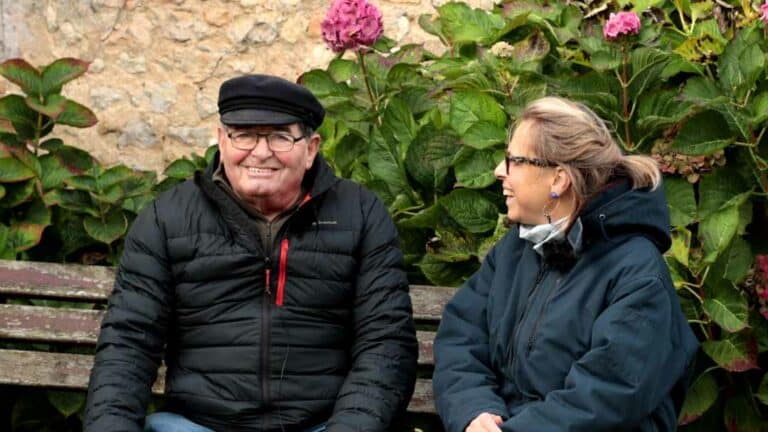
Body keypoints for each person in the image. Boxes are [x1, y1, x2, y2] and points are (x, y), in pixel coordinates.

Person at [84, 74, 418, 431]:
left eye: (279, 137)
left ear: (311, 148)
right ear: (222, 140)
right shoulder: (167, 218)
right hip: (198, 426)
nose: (260, 152)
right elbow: (128, 342)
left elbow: (385, 342)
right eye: (244, 134)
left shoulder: (361, 214)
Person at [432, 96, 698, 432]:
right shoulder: (517, 248)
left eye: (513, 160)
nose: (499, 171)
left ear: (558, 180)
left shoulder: (636, 273)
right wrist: (474, 410)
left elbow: (605, 398)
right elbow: (462, 335)